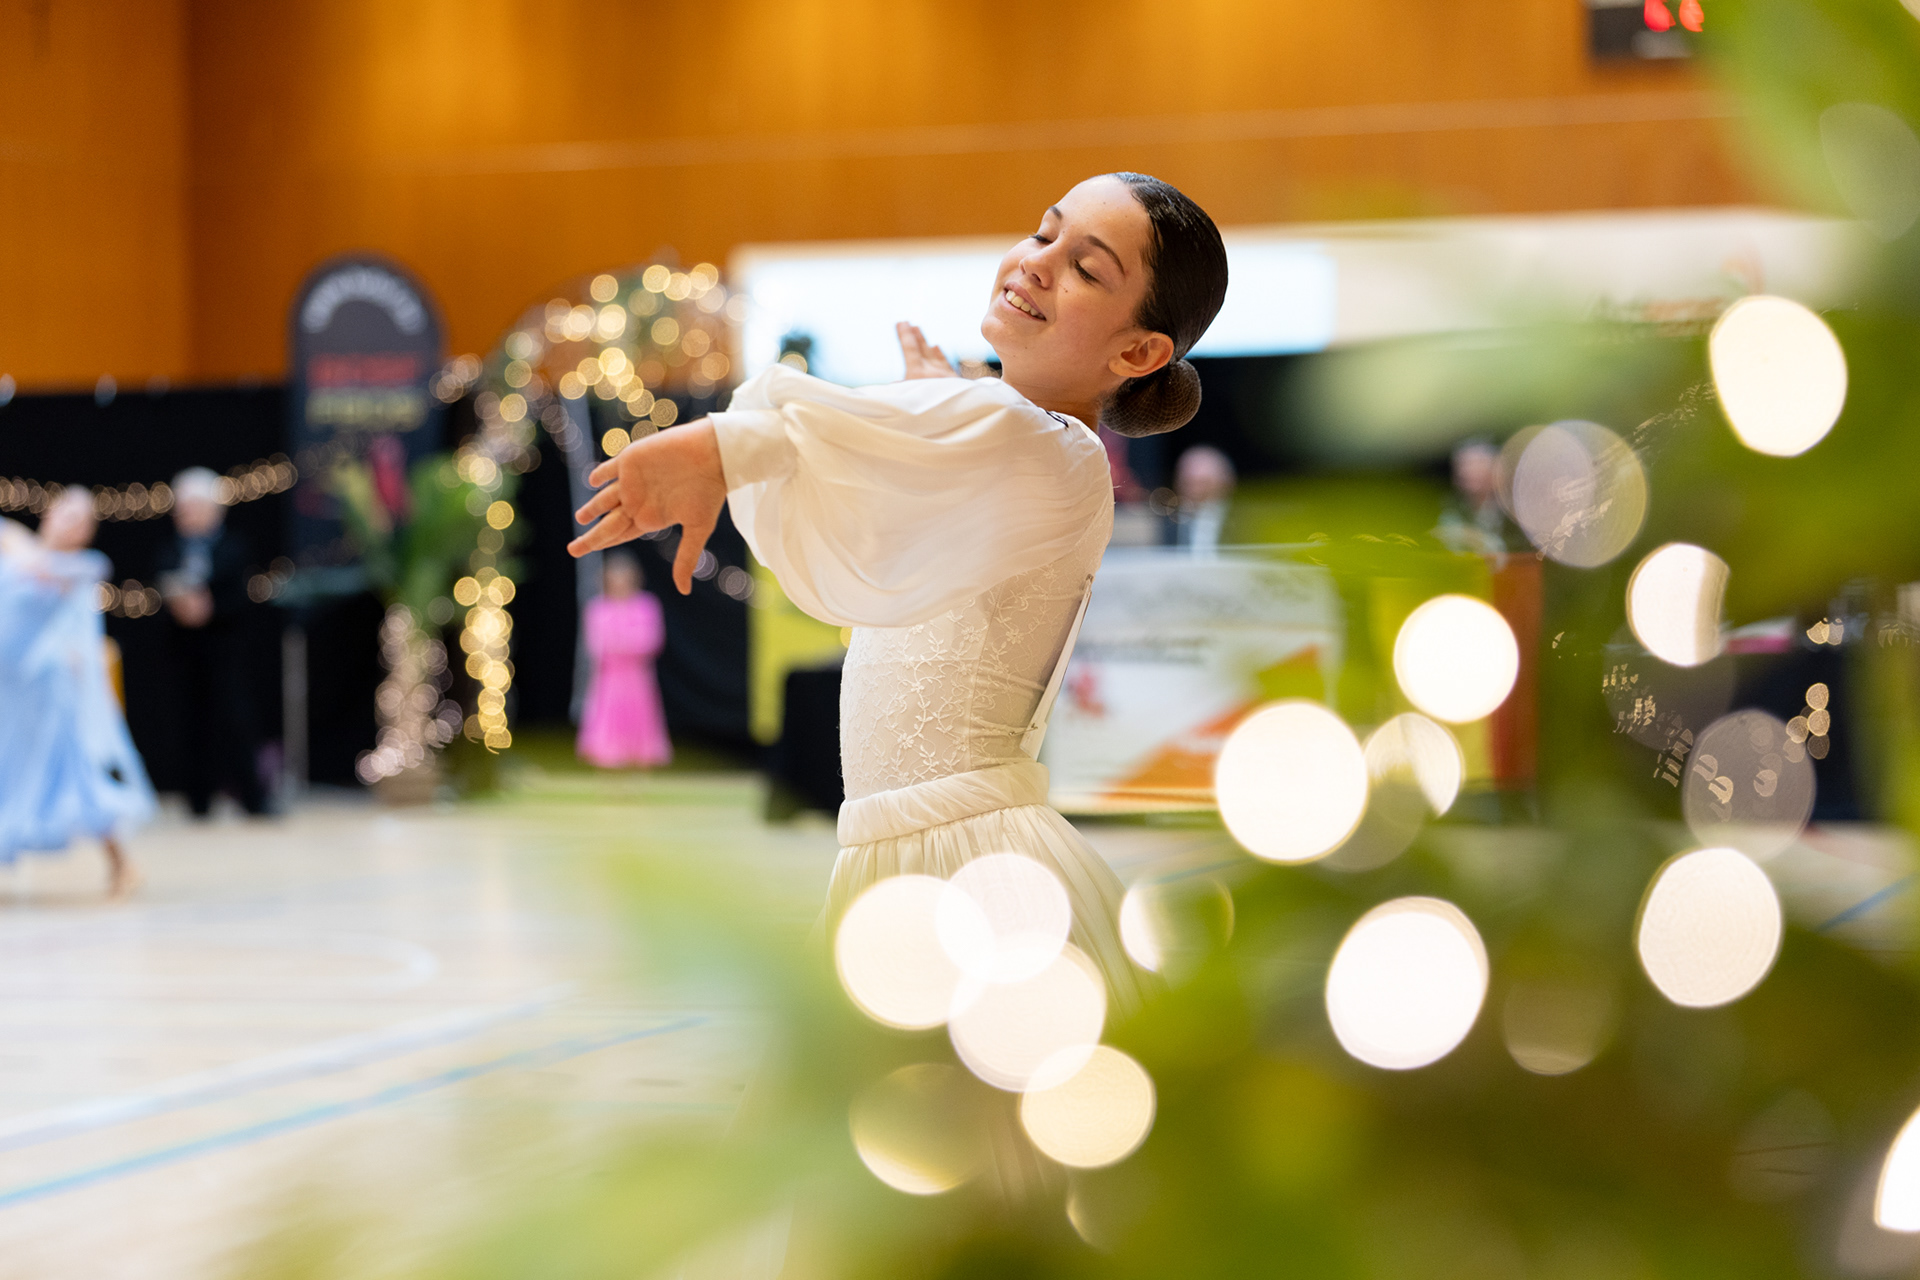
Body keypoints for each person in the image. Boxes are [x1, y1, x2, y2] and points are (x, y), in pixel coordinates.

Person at [570, 172, 1228, 1007]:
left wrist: (724, 449)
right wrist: (935, 402)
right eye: (1043, 232)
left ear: (1137, 354)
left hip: (963, 873)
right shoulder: (1005, 441)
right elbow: (920, 460)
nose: (1037, 262)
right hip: (918, 852)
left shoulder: (1054, 451)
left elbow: (918, 438)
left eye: (1085, 268)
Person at [0, 489, 154, 896]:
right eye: (65, 511)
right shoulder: (14, 546)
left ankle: (122, 864)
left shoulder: (80, 568)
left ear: (87, 531)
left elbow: (68, 601)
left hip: (47, 696)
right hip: (8, 693)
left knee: (75, 777)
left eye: (80, 519)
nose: (69, 522)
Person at [155, 467, 268, 817]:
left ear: (213, 509)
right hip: (185, 651)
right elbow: (162, 590)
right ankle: (198, 800)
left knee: (236, 721)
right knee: (190, 724)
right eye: (182, 509)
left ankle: (252, 798)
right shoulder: (171, 549)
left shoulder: (233, 547)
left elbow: (241, 597)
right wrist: (182, 607)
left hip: (225, 649)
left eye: (193, 507)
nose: (185, 515)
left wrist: (211, 608)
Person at [576, 551, 672, 768]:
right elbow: (597, 645)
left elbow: (651, 642)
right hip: (609, 680)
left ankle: (640, 771)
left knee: (640, 725)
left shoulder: (647, 605)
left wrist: (623, 644)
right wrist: (626, 644)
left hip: (638, 679)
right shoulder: (597, 608)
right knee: (609, 727)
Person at [1171, 444, 1236, 555]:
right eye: (1188, 483)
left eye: (1204, 483)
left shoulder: (1242, 523)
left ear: (1226, 484)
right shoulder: (1164, 524)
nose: (1196, 491)